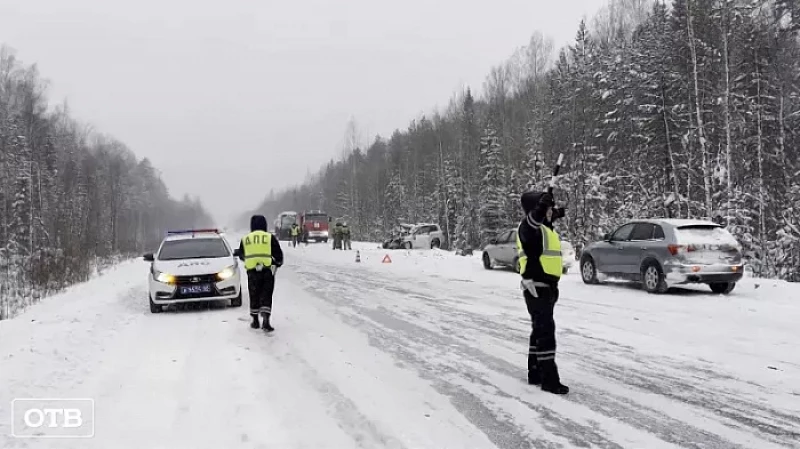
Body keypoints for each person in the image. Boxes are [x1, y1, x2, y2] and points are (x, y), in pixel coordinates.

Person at [516, 191, 569, 395]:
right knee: (546, 332)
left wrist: (554, 211)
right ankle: (549, 379)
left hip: (547, 286)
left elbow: (545, 219)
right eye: (543, 208)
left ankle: (535, 371)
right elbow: (534, 222)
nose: (548, 212)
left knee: (539, 330)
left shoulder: (544, 228)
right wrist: (540, 208)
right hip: (536, 286)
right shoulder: (527, 228)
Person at [238, 215, 284, 332]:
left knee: (254, 294)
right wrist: (277, 263)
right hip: (267, 270)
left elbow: (242, 255)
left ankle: (255, 321)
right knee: (266, 294)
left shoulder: (246, 239)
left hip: (252, 272)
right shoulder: (270, 238)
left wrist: (250, 260)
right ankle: (266, 321)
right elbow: (279, 256)